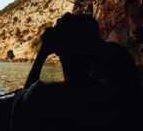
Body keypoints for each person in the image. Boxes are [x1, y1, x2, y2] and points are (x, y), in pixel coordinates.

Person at [10, 13, 142, 131]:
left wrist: (43, 52)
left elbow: (22, 108)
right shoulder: (114, 91)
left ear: (58, 48)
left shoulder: (41, 94)